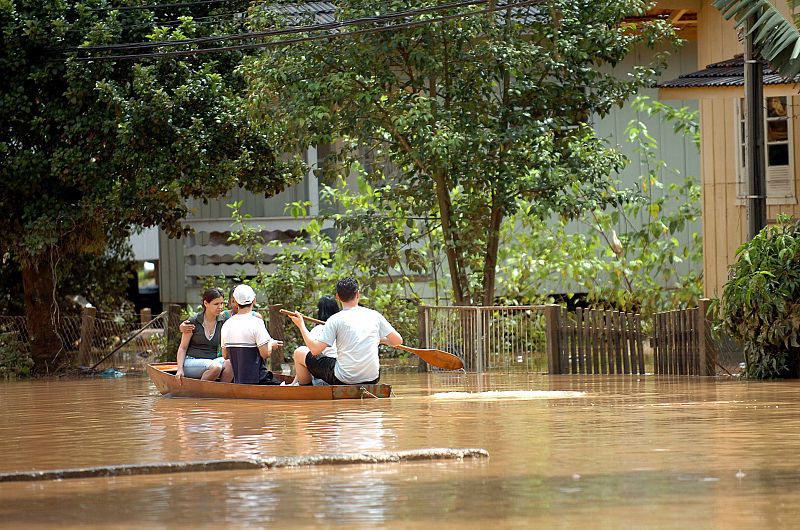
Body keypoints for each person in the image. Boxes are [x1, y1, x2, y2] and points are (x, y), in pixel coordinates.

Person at [287, 277, 403, 386]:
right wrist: (383, 340)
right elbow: (397, 341)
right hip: (373, 378)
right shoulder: (374, 315)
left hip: (343, 379)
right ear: (358, 294)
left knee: (299, 352)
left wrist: (301, 325)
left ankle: (306, 390)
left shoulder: (335, 319)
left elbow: (315, 350)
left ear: (337, 297)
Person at [221, 284, 284, 384]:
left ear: (235, 302)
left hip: (238, 381)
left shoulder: (226, 325)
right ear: (254, 300)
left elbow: (225, 355)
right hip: (259, 380)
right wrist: (271, 344)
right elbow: (265, 353)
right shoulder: (256, 322)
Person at [175, 288, 233, 384]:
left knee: (231, 364)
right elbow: (183, 347)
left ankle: (221, 391)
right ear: (206, 303)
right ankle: (200, 391)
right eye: (216, 304)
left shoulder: (223, 322)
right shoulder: (194, 321)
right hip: (192, 361)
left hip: (212, 361)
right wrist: (179, 369)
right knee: (216, 367)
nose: (220, 307)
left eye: (222, 303)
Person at [288, 295, 339, 386]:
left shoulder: (318, 329)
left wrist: (301, 325)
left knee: (299, 352)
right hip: (341, 369)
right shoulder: (341, 327)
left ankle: (305, 388)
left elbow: (308, 356)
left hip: (330, 373)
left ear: (319, 311)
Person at [179, 287, 262, 334]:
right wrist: (182, 327)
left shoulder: (256, 317)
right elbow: (208, 317)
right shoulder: (224, 316)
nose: (237, 304)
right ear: (229, 302)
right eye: (234, 301)